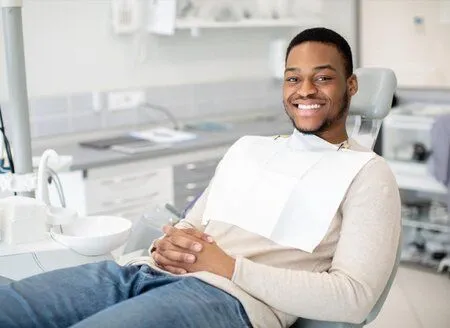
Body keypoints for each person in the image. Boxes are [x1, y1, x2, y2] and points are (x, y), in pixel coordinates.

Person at [0, 27, 401, 328]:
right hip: (141, 271)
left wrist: (229, 267)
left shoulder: (367, 173)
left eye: (323, 77)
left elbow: (355, 298)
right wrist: (168, 243)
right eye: (294, 78)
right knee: (11, 305)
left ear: (351, 85)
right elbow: (195, 222)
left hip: (225, 300)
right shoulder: (250, 148)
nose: (305, 90)